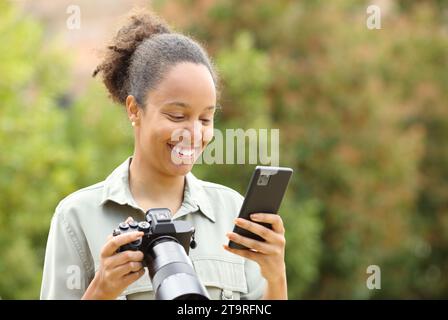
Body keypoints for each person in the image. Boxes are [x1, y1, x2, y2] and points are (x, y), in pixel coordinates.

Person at [40, 9, 287, 300]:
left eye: (206, 119)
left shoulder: (233, 212)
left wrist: (276, 277)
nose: (194, 133)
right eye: (177, 115)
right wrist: (102, 289)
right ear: (134, 109)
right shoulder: (77, 216)